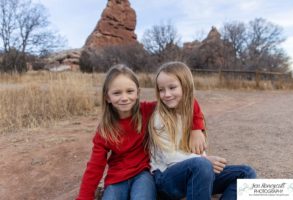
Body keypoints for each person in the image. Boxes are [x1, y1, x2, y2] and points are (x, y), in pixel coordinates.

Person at [76, 64, 206, 200]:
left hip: (143, 174)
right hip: (116, 178)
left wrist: (196, 128)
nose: (124, 98)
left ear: (138, 92)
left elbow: (187, 100)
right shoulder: (105, 130)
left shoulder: (147, 111)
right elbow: (94, 167)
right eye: (117, 93)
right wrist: (83, 198)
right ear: (107, 97)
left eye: (129, 91)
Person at [148, 61, 256, 200]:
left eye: (172, 87)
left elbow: (198, 152)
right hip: (166, 179)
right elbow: (169, 158)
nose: (166, 94)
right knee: (201, 164)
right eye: (161, 90)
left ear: (186, 87)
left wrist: (197, 132)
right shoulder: (159, 117)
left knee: (246, 173)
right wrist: (204, 161)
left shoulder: (191, 113)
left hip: (198, 172)